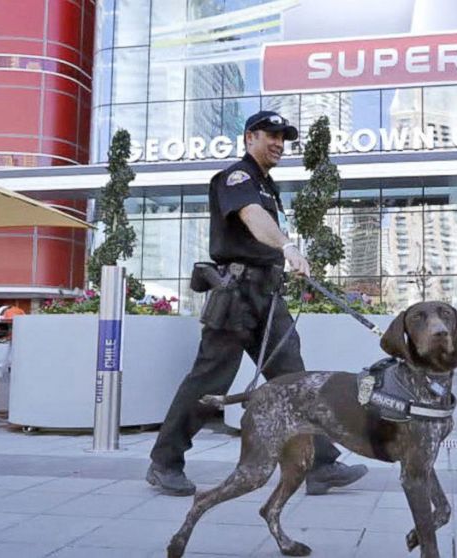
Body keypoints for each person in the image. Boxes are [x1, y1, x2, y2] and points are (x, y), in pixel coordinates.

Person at [147, 111, 368, 497]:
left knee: (296, 381)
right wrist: (287, 245)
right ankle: (164, 462)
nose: (279, 143)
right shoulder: (237, 178)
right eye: (271, 135)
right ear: (250, 137)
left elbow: (262, 220)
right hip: (237, 296)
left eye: (284, 138)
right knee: (208, 381)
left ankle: (320, 465)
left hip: (268, 296)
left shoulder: (267, 184)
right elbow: (251, 218)